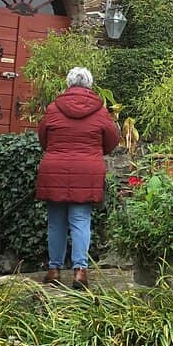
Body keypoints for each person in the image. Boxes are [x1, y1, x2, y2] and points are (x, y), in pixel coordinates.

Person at [35, 67, 119, 288]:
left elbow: (43, 138)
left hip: (55, 168)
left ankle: (54, 270)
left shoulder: (54, 108)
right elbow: (111, 141)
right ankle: (80, 271)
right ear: (90, 85)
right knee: (81, 221)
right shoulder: (100, 111)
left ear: (68, 84)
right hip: (87, 170)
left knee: (56, 223)